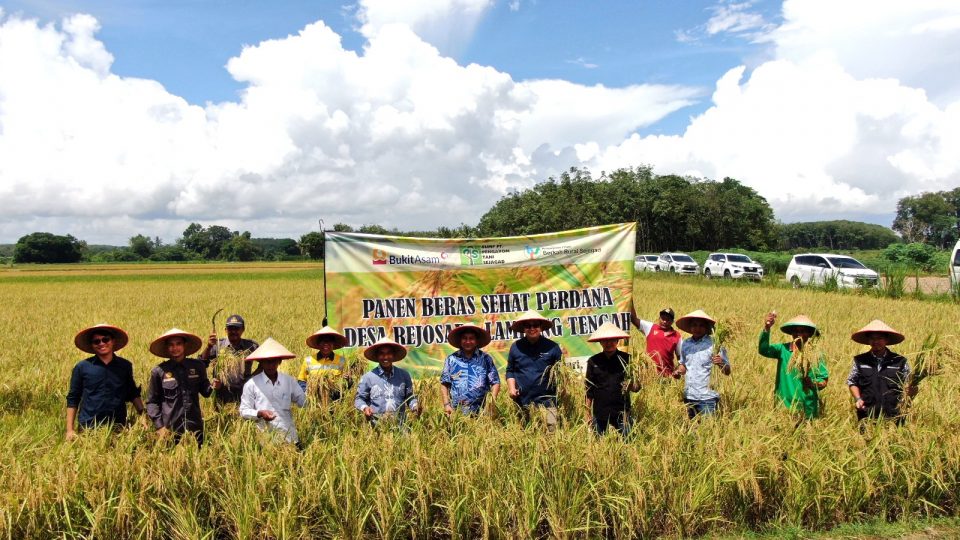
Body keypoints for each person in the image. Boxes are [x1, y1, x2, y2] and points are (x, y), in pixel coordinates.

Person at [66, 324, 146, 440]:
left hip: (118, 426)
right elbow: (73, 398)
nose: (101, 343)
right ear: (92, 345)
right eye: (96, 341)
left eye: (105, 339)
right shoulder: (82, 367)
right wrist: (70, 430)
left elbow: (132, 392)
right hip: (89, 427)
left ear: (112, 341)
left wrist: (142, 416)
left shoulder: (125, 366)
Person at [145, 328, 214, 446]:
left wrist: (214, 386)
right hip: (170, 430)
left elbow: (206, 392)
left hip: (195, 429)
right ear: (167, 348)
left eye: (178, 344)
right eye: (171, 345)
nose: (175, 348)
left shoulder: (197, 366)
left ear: (185, 345)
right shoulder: (159, 371)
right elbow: (152, 402)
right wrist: (160, 427)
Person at [759, 313, 829, 419]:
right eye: (796, 331)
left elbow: (823, 381)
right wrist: (767, 328)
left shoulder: (816, 355)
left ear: (810, 334)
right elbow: (764, 350)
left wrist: (812, 384)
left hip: (807, 407)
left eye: (803, 331)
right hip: (784, 405)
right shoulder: (783, 350)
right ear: (791, 333)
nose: (799, 334)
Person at [239, 338, 307, 446]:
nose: (270, 365)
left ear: (279, 361)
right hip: (265, 441)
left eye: (273, 361)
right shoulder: (252, 384)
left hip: (289, 438)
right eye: (266, 361)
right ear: (261, 363)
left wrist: (315, 391)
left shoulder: (289, 381)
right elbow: (244, 410)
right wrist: (259, 413)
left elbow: (303, 402)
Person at [847, 319, 915, 423]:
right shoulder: (860, 360)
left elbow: (910, 383)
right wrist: (858, 399)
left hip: (894, 415)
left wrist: (909, 393)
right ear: (868, 340)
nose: (875, 341)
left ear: (887, 340)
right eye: (872, 338)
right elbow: (852, 381)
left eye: (879, 338)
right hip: (867, 414)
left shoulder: (899, 361)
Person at [505, 310, 562, 431]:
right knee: (525, 436)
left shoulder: (553, 347)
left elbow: (561, 374)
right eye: (528, 326)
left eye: (535, 325)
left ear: (541, 327)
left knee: (551, 436)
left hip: (549, 403)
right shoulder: (516, 347)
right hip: (523, 403)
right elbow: (510, 370)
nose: (532, 328)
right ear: (523, 328)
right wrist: (511, 388)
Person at [584, 322, 640, 436]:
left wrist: (631, 386)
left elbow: (637, 387)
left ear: (617, 341)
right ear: (600, 342)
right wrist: (587, 413)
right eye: (605, 340)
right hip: (600, 414)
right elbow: (588, 390)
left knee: (626, 444)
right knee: (600, 446)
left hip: (622, 413)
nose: (608, 343)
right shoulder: (593, 361)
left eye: (612, 340)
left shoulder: (627, 359)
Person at [675, 310, 731, 418]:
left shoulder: (715, 344)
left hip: (707, 397)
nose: (697, 328)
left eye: (701, 325)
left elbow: (727, 371)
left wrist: (721, 363)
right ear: (690, 327)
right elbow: (683, 365)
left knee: (707, 430)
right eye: (694, 325)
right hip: (689, 396)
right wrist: (678, 371)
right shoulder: (686, 344)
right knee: (691, 431)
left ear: (707, 328)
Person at [354, 337, 419, 427]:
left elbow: (410, 397)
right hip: (377, 427)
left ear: (393, 355)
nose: (385, 357)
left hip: (400, 427)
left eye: (389, 353)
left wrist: (415, 406)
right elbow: (359, 399)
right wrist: (365, 408)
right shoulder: (368, 377)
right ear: (377, 356)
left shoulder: (404, 375)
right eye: (381, 354)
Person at [200, 314, 259, 408]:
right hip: (221, 395)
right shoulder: (218, 345)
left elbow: (264, 361)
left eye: (237, 328)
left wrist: (252, 378)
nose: (233, 331)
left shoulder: (251, 346)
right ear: (225, 330)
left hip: (244, 394)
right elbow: (201, 363)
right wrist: (209, 346)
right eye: (230, 328)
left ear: (243, 329)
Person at [440, 324, 500, 415]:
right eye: (465, 338)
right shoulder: (451, 359)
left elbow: (495, 382)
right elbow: (444, 384)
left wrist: (491, 403)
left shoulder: (485, 359)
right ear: (460, 341)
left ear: (476, 341)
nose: (468, 341)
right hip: (456, 413)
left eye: (471, 338)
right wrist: (446, 404)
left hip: (481, 413)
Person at [300, 326, 350, 403]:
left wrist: (347, 380)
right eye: (323, 341)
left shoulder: (341, 361)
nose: (326, 344)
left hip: (335, 402)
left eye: (329, 341)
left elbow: (347, 385)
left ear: (333, 344)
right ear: (318, 344)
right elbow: (301, 380)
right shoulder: (308, 360)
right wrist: (307, 394)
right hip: (314, 401)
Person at [630, 305, 682, 377]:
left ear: (672, 322)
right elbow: (633, 319)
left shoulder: (677, 336)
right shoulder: (650, 327)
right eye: (662, 318)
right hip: (649, 375)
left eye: (668, 320)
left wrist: (678, 371)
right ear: (659, 318)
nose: (664, 321)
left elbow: (681, 358)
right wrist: (629, 300)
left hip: (667, 376)